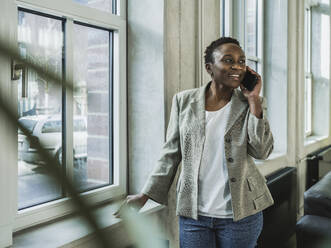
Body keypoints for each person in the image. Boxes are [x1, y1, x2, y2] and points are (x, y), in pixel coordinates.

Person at [115, 37, 274, 248]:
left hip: (241, 214)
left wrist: (254, 99)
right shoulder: (183, 101)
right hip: (194, 215)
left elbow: (261, 151)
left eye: (241, 61)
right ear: (209, 67)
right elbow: (171, 153)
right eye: (228, 60)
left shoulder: (250, 104)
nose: (237, 66)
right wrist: (145, 195)